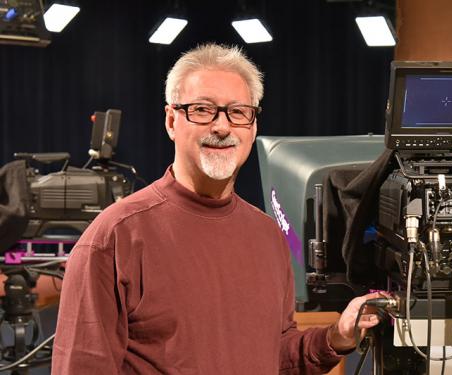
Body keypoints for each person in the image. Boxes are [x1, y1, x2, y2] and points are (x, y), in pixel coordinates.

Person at [52, 43, 381, 374]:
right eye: (202, 109)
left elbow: (275, 356)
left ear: (252, 126)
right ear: (171, 121)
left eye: (238, 112)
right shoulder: (115, 237)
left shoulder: (267, 234)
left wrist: (336, 337)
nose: (222, 127)